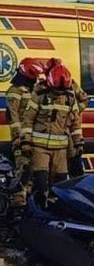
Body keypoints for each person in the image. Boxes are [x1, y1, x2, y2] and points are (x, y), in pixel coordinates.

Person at [21, 63, 84, 203]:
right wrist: (25, 141)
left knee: (60, 186)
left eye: (62, 91)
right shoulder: (39, 94)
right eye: (57, 91)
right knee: (41, 183)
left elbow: (75, 123)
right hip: (39, 148)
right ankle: (38, 212)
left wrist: (78, 142)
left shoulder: (70, 97)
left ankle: (57, 214)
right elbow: (28, 119)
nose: (59, 94)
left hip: (60, 150)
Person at [6, 58, 47, 210]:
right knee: (23, 172)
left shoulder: (32, 89)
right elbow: (13, 117)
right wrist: (19, 138)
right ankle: (17, 209)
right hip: (22, 139)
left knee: (32, 174)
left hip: (34, 138)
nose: (35, 79)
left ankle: (29, 208)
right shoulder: (15, 91)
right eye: (33, 77)